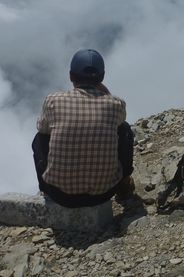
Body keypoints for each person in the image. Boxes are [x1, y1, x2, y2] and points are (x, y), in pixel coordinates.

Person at [32, 49, 134, 208]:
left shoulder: (52, 101)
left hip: (59, 194)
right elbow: (119, 122)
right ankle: (124, 186)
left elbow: (42, 129)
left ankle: (44, 189)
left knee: (39, 138)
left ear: (71, 76)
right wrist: (106, 93)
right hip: (105, 192)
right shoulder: (116, 104)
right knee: (124, 129)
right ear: (102, 76)